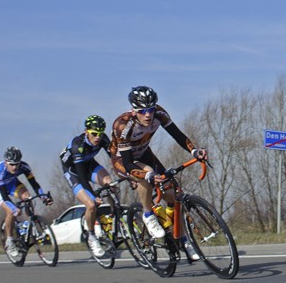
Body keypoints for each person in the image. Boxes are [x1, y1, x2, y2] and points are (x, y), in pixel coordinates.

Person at [110, 86, 207, 263]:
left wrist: (194, 151)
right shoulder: (123, 125)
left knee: (173, 193)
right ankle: (148, 215)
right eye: (143, 111)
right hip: (124, 160)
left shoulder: (159, 114)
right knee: (147, 174)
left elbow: (177, 135)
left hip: (145, 152)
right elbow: (129, 163)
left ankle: (183, 239)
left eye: (151, 109)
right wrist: (146, 176)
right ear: (134, 110)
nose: (148, 115)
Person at [59, 114, 116, 258]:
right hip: (74, 172)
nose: (97, 137)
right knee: (90, 205)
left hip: (89, 164)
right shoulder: (77, 144)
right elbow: (83, 177)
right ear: (86, 131)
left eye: (100, 133)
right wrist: (93, 195)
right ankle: (91, 237)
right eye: (94, 134)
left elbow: (115, 159)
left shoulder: (102, 139)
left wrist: (128, 174)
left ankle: (114, 215)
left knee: (111, 183)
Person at [0, 146, 53, 257]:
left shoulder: (24, 167)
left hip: (12, 183)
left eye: (17, 164)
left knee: (28, 197)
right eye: (11, 164)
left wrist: (43, 197)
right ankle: (9, 241)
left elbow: (34, 184)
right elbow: (4, 196)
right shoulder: (0, 172)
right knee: (10, 212)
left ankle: (30, 224)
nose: (14, 167)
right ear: (6, 162)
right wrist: (13, 208)